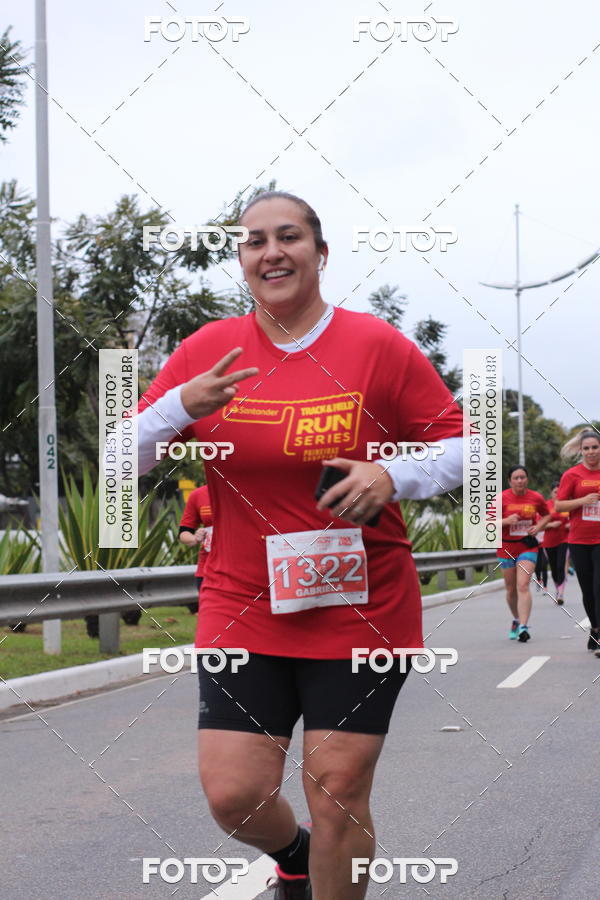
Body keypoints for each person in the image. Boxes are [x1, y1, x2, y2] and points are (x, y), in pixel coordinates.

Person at [134, 191, 464, 899]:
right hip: (242, 600)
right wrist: (175, 408)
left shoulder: (376, 345)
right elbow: (114, 466)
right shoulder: (204, 352)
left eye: (288, 237)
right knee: (234, 795)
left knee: (336, 784)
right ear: (242, 260)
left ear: (320, 252)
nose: (271, 251)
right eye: (254, 241)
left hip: (361, 601)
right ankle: (291, 853)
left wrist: (393, 473)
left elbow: (474, 449)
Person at [555, 429, 600, 654]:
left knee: (599, 587)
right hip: (580, 540)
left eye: (595, 447)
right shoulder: (572, 475)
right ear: (581, 450)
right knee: (588, 590)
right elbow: (559, 506)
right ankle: (595, 628)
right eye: (587, 448)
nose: (591, 452)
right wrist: (583, 500)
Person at [498, 465, 551, 642]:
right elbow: (487, 523)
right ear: (509, 481)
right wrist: (506, 520)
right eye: (516, 478)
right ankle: (516, 619)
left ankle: (523, 626)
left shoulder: (535, 497)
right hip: (505, 547)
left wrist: (539, 526)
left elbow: (547, 515)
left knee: (523, 585)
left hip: (527, 546)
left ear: (527, 479)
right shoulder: (501, 498)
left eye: (523, 477)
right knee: (511, 589)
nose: (520, 480)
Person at [179, 483, 213, 614]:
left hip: (241, 571)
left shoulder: (245, 490)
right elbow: (183, 533)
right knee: (213, 621)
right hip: (207, 572)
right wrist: (195, 538)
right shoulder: (198, 495)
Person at [541, 481, 570, 604]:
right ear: (551, 493)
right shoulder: (546, 506)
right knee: (553, 568)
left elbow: (575, 518)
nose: (557, 494)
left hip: (565, 540)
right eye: (555, 492)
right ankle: (558, 589)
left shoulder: (567, 505)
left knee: (560, 566)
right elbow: (539, 525)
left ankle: (561, 594)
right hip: (549, 542)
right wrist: (551, 524)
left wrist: (571, 524)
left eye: (560, 492)